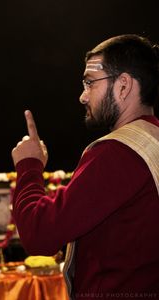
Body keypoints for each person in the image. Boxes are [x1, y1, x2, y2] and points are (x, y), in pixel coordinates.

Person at [11, 34, 159, 299]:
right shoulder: (153, 139)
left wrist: (29, 164)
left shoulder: (118, 153)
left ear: (123, 85)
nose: (82, 96)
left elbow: (39, 234)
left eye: (90, 83)